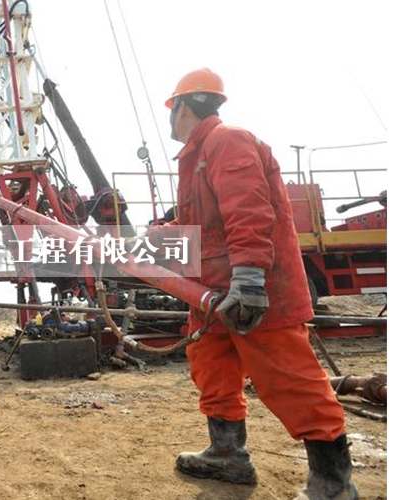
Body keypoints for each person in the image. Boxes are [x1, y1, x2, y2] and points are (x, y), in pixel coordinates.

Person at [165, 68, 356, 499]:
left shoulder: (226, 141)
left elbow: (248, 210)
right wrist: (149, 240)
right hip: (213, 295)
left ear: (183, 107)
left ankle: (333, 484)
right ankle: (227, 454)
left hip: (254, 292)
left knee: (291, 380)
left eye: (172, 109)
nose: (170, 118)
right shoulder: (197, 157)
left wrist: (249, 281)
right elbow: (203, 227)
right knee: (212, 370)